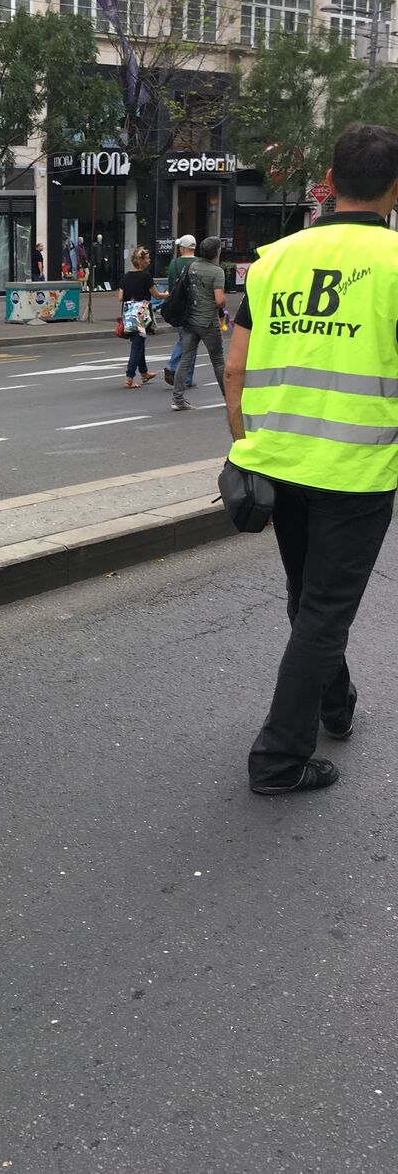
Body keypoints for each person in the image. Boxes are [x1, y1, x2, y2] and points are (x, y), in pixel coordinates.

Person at [225, 123, 398, 795]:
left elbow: (235, 368)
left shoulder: (275, 259)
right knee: (325, 609)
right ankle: (278, 758)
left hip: (278, 462)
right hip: (357, 471)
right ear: (394, 187)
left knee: (308, 599)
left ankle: (337, 702)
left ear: (329, 179)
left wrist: (243, 449)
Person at [171, 235, 226, 411]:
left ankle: (178, 399)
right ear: (216, 252)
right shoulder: (217, 272)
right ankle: (229, 397)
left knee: (185, 359)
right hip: (208, 322)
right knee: (218, 361)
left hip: (190, 320)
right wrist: (222, 303)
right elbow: (219, 300)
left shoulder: (191, 267)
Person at [118, 246, 167, 388]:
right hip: (141, 312)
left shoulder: (125, 277)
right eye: (147, 258)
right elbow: (156, 295)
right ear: (141, 261)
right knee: (137, 345)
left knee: (138, 342)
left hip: (128, 313)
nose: (149, 261)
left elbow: (120, 297)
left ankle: (144, 373)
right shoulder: (146, 276)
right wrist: (168, 294)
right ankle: (129, 377)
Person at [164, 234, 198, 389]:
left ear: (183, 248)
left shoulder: (174, 264)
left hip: (178, 307)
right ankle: (180, 371)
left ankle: (184, 375)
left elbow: (171, 286)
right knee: (190, 341)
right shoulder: (199, 263)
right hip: (195, 308)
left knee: (184, 338)